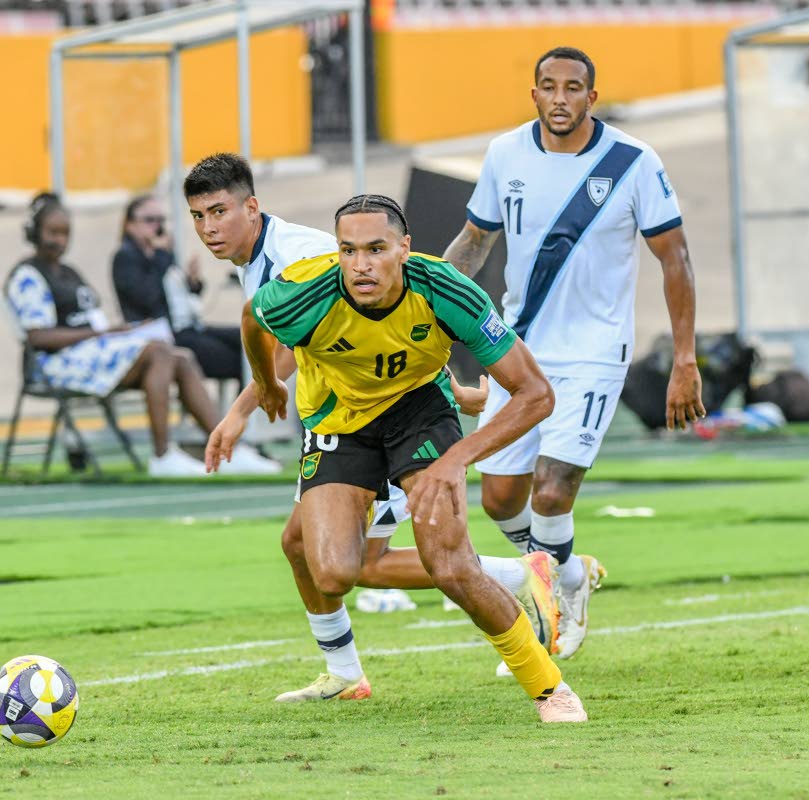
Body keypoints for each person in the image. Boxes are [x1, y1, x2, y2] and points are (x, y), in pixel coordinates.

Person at [185, 154, 563, 703]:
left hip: (391, 414)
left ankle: (516, 582)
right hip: (335, 415)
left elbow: (386, 325)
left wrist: (449, 391)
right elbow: (273, 325)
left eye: (218, 212)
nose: (208, 228)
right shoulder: (265, 264)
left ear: (251, 207)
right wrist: (257, 393)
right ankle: (344, 672)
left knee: (375, 562)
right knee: (306, 550)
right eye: (198, 216)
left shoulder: (311, 258)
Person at [442, 46, 704, 660]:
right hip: (517, 348)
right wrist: (424, 304)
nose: (560, 98)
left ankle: (553, 606)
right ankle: (568, 573)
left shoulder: (633, 161)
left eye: (573, 87)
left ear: (592, 95)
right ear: (533, 93)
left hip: (594, 350)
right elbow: (475, 243)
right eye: (548, 86)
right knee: (499, 499)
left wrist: (685, 358)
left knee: (552, 493)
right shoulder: (505, 153)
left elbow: (676, 259)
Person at [4, 192, 270, 478]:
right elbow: (37, 337)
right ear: (34, 233)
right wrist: (102, 333)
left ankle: (227, 448)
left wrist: (113, 332)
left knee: (182, 357)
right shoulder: (29, 275)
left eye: (65, 233)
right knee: (159, 351)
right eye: (52, 232)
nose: (59, 240)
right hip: (55, 365)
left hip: (91, 352)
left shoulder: (67, 271)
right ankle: (162, 455)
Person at [113, 195, 246, 389]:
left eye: (161, 220)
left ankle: (247, 416)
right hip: (163, 336)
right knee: (239, 361)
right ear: (130, 224)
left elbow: (178, 298)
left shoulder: (160, 252)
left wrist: (192, 283)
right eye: (150, 220)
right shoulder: (126, 257)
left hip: (188, 327)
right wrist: (160, 256)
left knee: (248, 337)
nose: (157, 227)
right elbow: (148, 298)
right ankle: (240, 417)